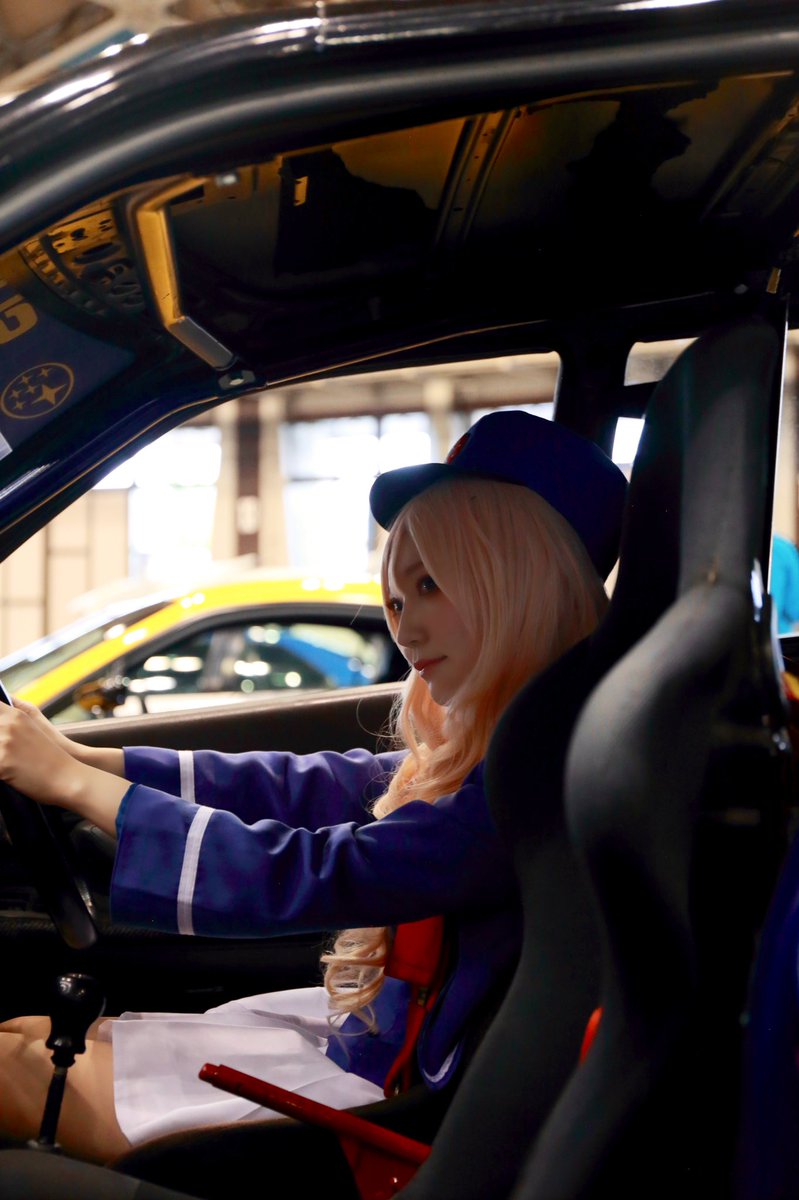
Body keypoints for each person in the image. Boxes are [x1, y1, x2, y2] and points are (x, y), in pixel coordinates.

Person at [0, 409, 627, 1165]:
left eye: (431, 585)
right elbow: (316, 787)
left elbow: (323, 871)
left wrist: (73, 783)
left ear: (520, 580)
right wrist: (91, 762)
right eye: (398, 600)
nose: (405, 630)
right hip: (378, 1053)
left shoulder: (535, 776)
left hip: (392, 1109)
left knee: (12, 1067)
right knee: (21, 1040)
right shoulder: (515, 744)